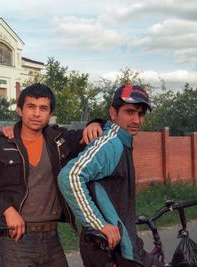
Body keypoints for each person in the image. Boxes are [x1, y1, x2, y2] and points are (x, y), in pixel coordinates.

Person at [0, 83, 103, 267]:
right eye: (31, 107)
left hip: (52, 239)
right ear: (19, 110)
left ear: (50, 114)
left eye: (43, 108)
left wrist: (96, 123)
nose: (37, 114)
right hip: (14, 239)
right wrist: (6, 210)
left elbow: (109, 128)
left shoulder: (60, 141)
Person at [58, 84, 155, 267]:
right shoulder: (111, 143)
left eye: (141, 114)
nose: (136, 119)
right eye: (130, 112)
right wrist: (99, 224)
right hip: (107, 249)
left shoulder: (122, 141)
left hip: (120, 245)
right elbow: (69, 177)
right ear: (113, 112)